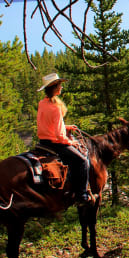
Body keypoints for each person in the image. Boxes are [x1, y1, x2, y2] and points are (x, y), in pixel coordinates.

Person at [36, 73, 92, 205]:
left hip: (43, 142)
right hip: (55, 144)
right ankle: (82, 195)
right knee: (83, 161)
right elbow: (59, 136)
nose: (61, 87)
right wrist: (70, 141)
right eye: (60, 85)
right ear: (54, 88)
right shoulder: (55, 108)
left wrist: (65, 126)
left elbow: (47, 123)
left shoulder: (43, 103)